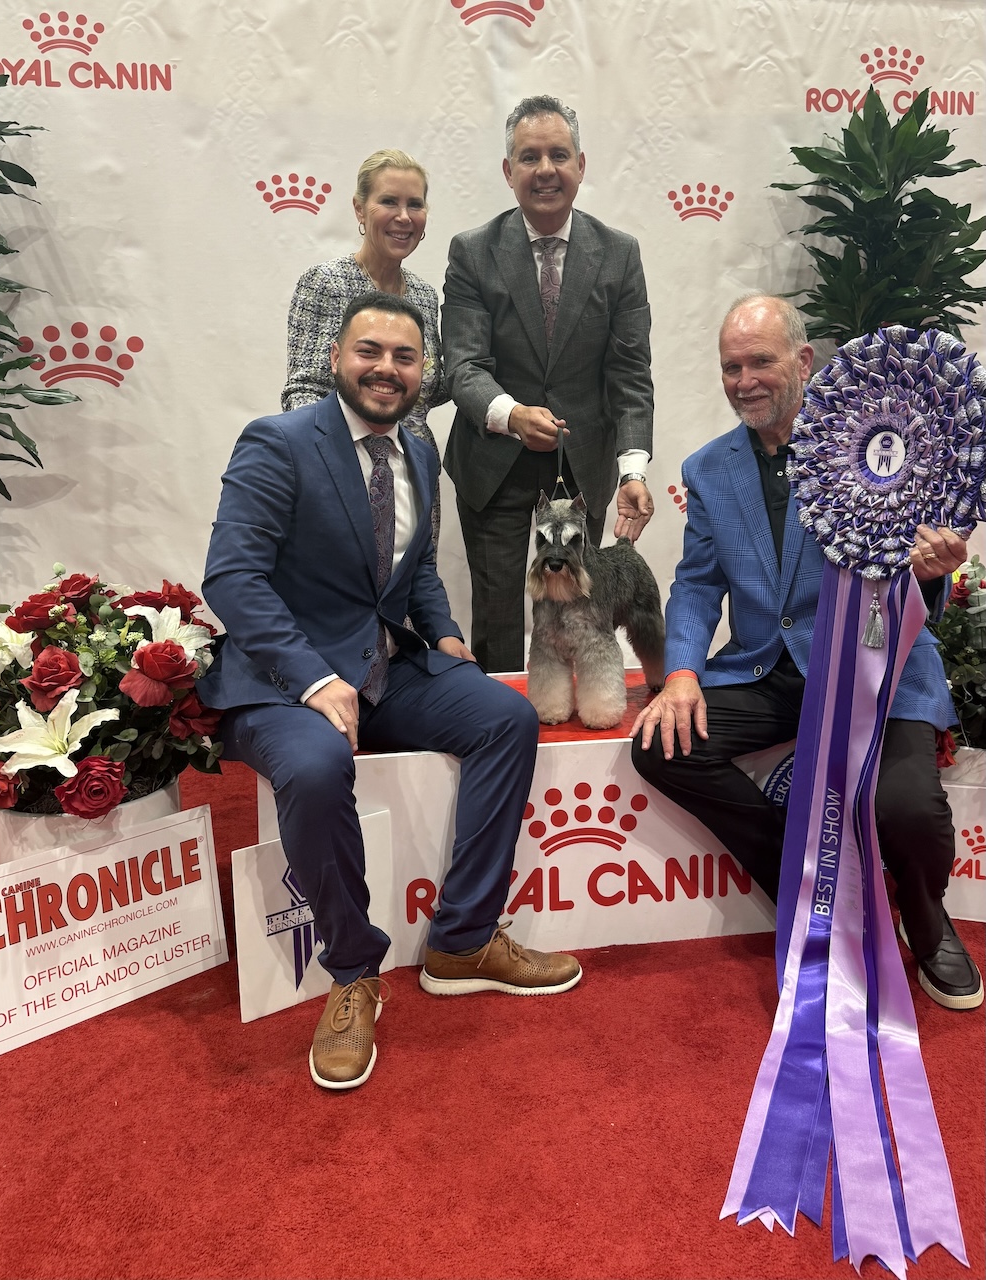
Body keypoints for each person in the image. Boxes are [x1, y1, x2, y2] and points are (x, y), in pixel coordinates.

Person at [203, 291, 582, 1092]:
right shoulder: (277, 441)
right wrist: (312, 678)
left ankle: (463, 940)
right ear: (335, 359)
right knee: (314, 768)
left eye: (404, 357)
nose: (386, 368)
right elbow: (232, 579)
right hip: (280, 680)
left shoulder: (416, 452)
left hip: (380, 669)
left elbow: (414, 573)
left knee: (505, 717)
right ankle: (352, 973)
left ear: (423, 373)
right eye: (369, 351)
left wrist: (444, 635)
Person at [630, 293, 982, 1011]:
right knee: (660, 747)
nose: (744, 381)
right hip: (768, 670)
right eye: (731, 367)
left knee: (908, 809)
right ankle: (808, 882)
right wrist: (683, 672)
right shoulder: (708, 468)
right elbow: (696, 585)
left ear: (803, 361)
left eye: (760, 362)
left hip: (875, 671)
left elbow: (911, 573)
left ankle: (924, 916)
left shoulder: (876, 445)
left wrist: (930, 572)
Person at [441, 94, 655, 673]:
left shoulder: (620, 254)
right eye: (529, 157)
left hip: (583, 468)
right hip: (493, 463)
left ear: (580, 166)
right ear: (508, 171)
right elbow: (463, 365)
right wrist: (511, 414)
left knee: (577, 616)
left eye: (558, 155)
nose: (545, 170)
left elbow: (630, 373)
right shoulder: (472, 252)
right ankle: (501, 717)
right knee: (498, 618)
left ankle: (573, 717)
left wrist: (633, 470)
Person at [282, 149, 447, 543]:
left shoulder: (425, 296)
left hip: (414, 478)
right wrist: (333, 467)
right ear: (359, 209)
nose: (403, 216)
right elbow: (302, 392)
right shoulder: (326, 284)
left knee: (413, 579)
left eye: (414, 204)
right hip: (342, 480)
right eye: (388, 201)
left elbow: (431, 387)